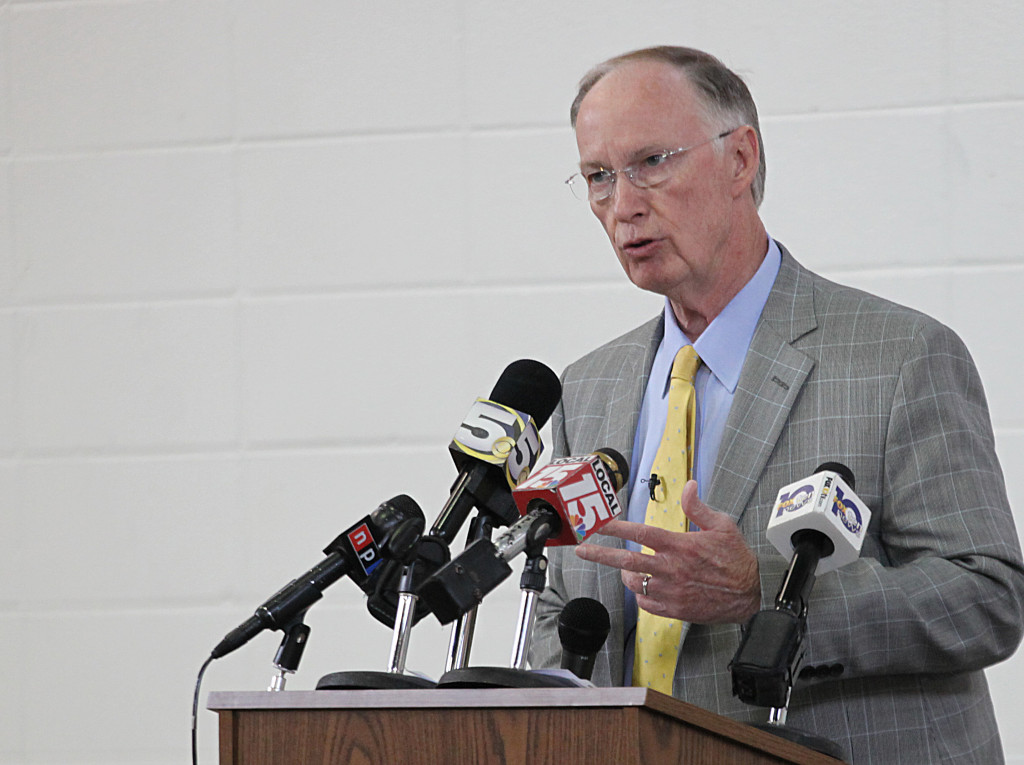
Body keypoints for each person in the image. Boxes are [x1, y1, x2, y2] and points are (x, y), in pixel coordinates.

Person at [529, 45, 1024, 763]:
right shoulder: (588, 385)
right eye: (599, 177)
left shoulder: (900, 355)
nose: (624, 204)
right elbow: (561, 606)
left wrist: (765, 594)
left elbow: (988, 595)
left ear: (741, 159)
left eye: (651, 163)